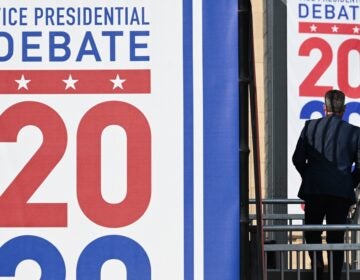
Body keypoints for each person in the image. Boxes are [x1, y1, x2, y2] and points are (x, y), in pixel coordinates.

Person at [292, 89, 360, 280]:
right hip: (340, 194)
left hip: (314, 191)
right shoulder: (355, 133)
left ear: (324, 108)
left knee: (312, 231)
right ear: (344, 109)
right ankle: (334, 275)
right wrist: (348, 181)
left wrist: (310, 176)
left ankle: (317, 265)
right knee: (336, 237)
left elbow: (297, 159)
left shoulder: (310, 127)